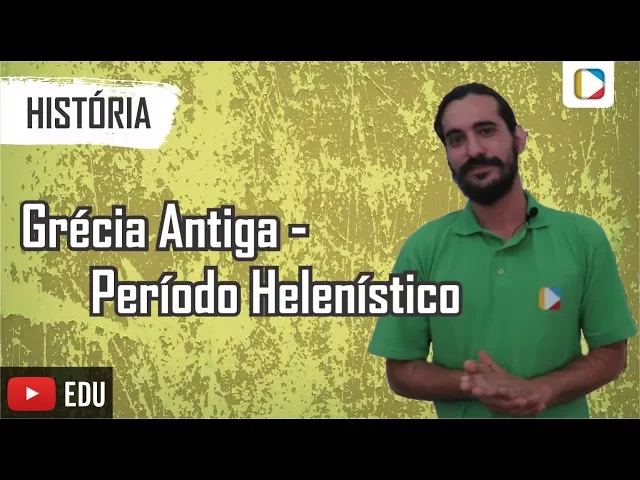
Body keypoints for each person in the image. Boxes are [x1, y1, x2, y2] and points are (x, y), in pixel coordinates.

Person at [367, 82, 638, 418]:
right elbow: (401, 370)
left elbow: (612, 353)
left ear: (518, 139)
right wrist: (476, 384)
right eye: (456, 139)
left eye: (486, 130)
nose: (473, 149)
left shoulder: (583, 238)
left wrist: (541, 390)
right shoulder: (422, 249)